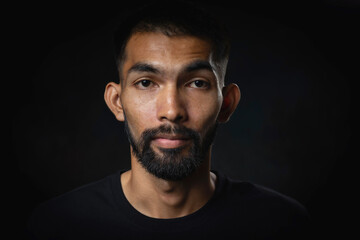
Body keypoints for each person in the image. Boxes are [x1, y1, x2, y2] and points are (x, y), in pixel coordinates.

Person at [27, 1, 312, 239]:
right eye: (146, 83)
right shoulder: (57, 226)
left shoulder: (282, 224)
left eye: (197, 83)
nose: (172, 110)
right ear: (117, 102)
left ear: (226, 104)